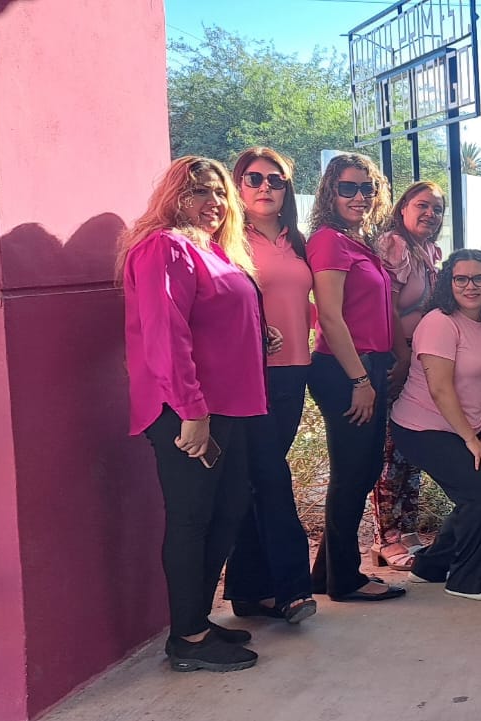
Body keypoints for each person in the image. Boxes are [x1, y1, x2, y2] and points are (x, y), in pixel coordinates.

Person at [121, 156, 266, 671]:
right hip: (187, 411)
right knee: (192, 520)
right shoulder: (165, 246)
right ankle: (186, 638)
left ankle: (198, 621)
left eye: (219, 193)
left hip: (228, 408)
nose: (212, 203)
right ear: (172, 199)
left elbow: (220, 318)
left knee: (224, 515)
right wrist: (192, 411)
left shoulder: (215, 250)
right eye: (196, 193)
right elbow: (166, 335)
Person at [221, 147, 318, 625]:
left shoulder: (295, 242)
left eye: (275, 180)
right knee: (272, 478)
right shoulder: (226, 242)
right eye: (253, 178)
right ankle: (291, 589)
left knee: (260, 478)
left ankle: (246, 590)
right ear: (238, 188)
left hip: (293, 371)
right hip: (249, 376)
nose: (265, 187)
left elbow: (303, 301)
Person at [306, 152, 408, 602]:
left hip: (371, 365)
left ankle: (326, 572)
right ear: (331, 191)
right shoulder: (329, 241)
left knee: (362, 470)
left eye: (367, 188)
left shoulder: (358, 239)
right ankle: (345, 579)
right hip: (347, 370)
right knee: (353, 472)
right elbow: (329, 317)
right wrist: (360, 381)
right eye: (348, 188)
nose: (360, 196)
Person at [386, 250, 481, 600]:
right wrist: (472, 442)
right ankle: (466, 580)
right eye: (461, 279)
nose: (470, 286)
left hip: (466, 429)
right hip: (422, 427)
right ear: (448, 282)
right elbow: (440, 389)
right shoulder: (440, 322)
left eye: (479, 278)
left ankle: (430, 567)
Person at [371, 180, 446, 570]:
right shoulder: (393, 246)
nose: (430, 214)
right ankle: (386, 537)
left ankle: (409, 527)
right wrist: (400, 356)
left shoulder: (428, 252)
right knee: (388, 453)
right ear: (403, 208)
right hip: (394, 358)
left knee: (409, 447)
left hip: (416, 359)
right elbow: (386, 307)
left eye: (437, 208)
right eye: (422, 205)